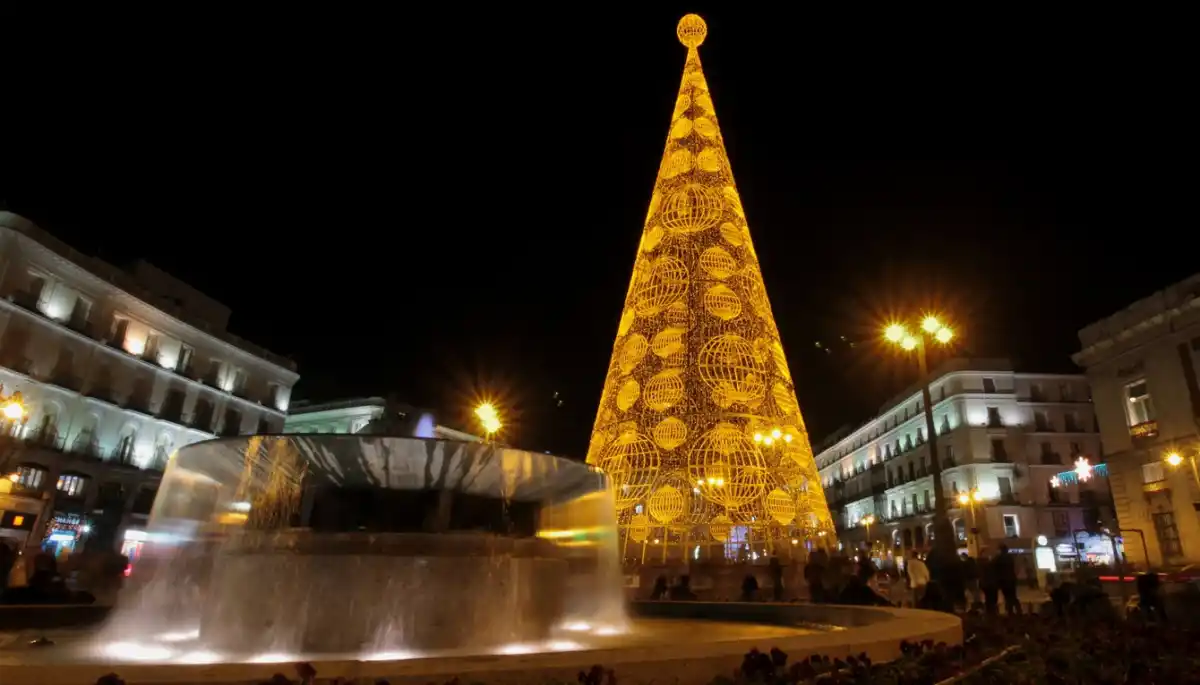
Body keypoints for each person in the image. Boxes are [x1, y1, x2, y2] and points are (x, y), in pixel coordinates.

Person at [993, 544, 1022, 615]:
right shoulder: (1010, 557)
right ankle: (1018, 610)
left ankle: (1010, 611)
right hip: (1012, 579)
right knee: (1013, 595)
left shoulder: (998, 558)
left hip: (1003, 580)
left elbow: (994, 567)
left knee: (1007, 596)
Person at [979, 551, 999, 615]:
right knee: (992, 599)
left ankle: (989, 611)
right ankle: (993, 611)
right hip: (991, 584)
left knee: (988, 599)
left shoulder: (980, 565)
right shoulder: (990, 565)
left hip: (986, 585)